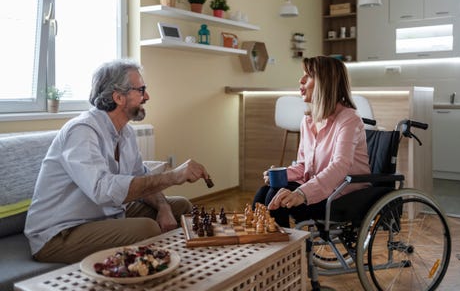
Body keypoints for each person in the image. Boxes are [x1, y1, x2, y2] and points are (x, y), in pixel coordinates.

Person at [24, 59, 210, 263]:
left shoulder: (126, 133)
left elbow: (142, 177)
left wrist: (164, 208)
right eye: (141, 90)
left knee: (181, 207)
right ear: (118, 97)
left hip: (106, 216)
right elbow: (103, 191)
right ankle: (151, 271)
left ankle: (173, 265)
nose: (147, 96)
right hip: (60, 232)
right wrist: (174, 177)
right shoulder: (82, 131)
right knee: (146, 228)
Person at [252, 56, 371, 227]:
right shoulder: (308, 121)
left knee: (276, 197)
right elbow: (304, 165)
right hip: (319, 188)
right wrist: (283, 174)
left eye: (308, 76)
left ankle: (283, 250)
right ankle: (265, 247)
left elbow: (340, 166)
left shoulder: (349, 119)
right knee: (265, 192)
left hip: (343, 195)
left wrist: (301, 193)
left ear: (325, 82)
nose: (301, 80)